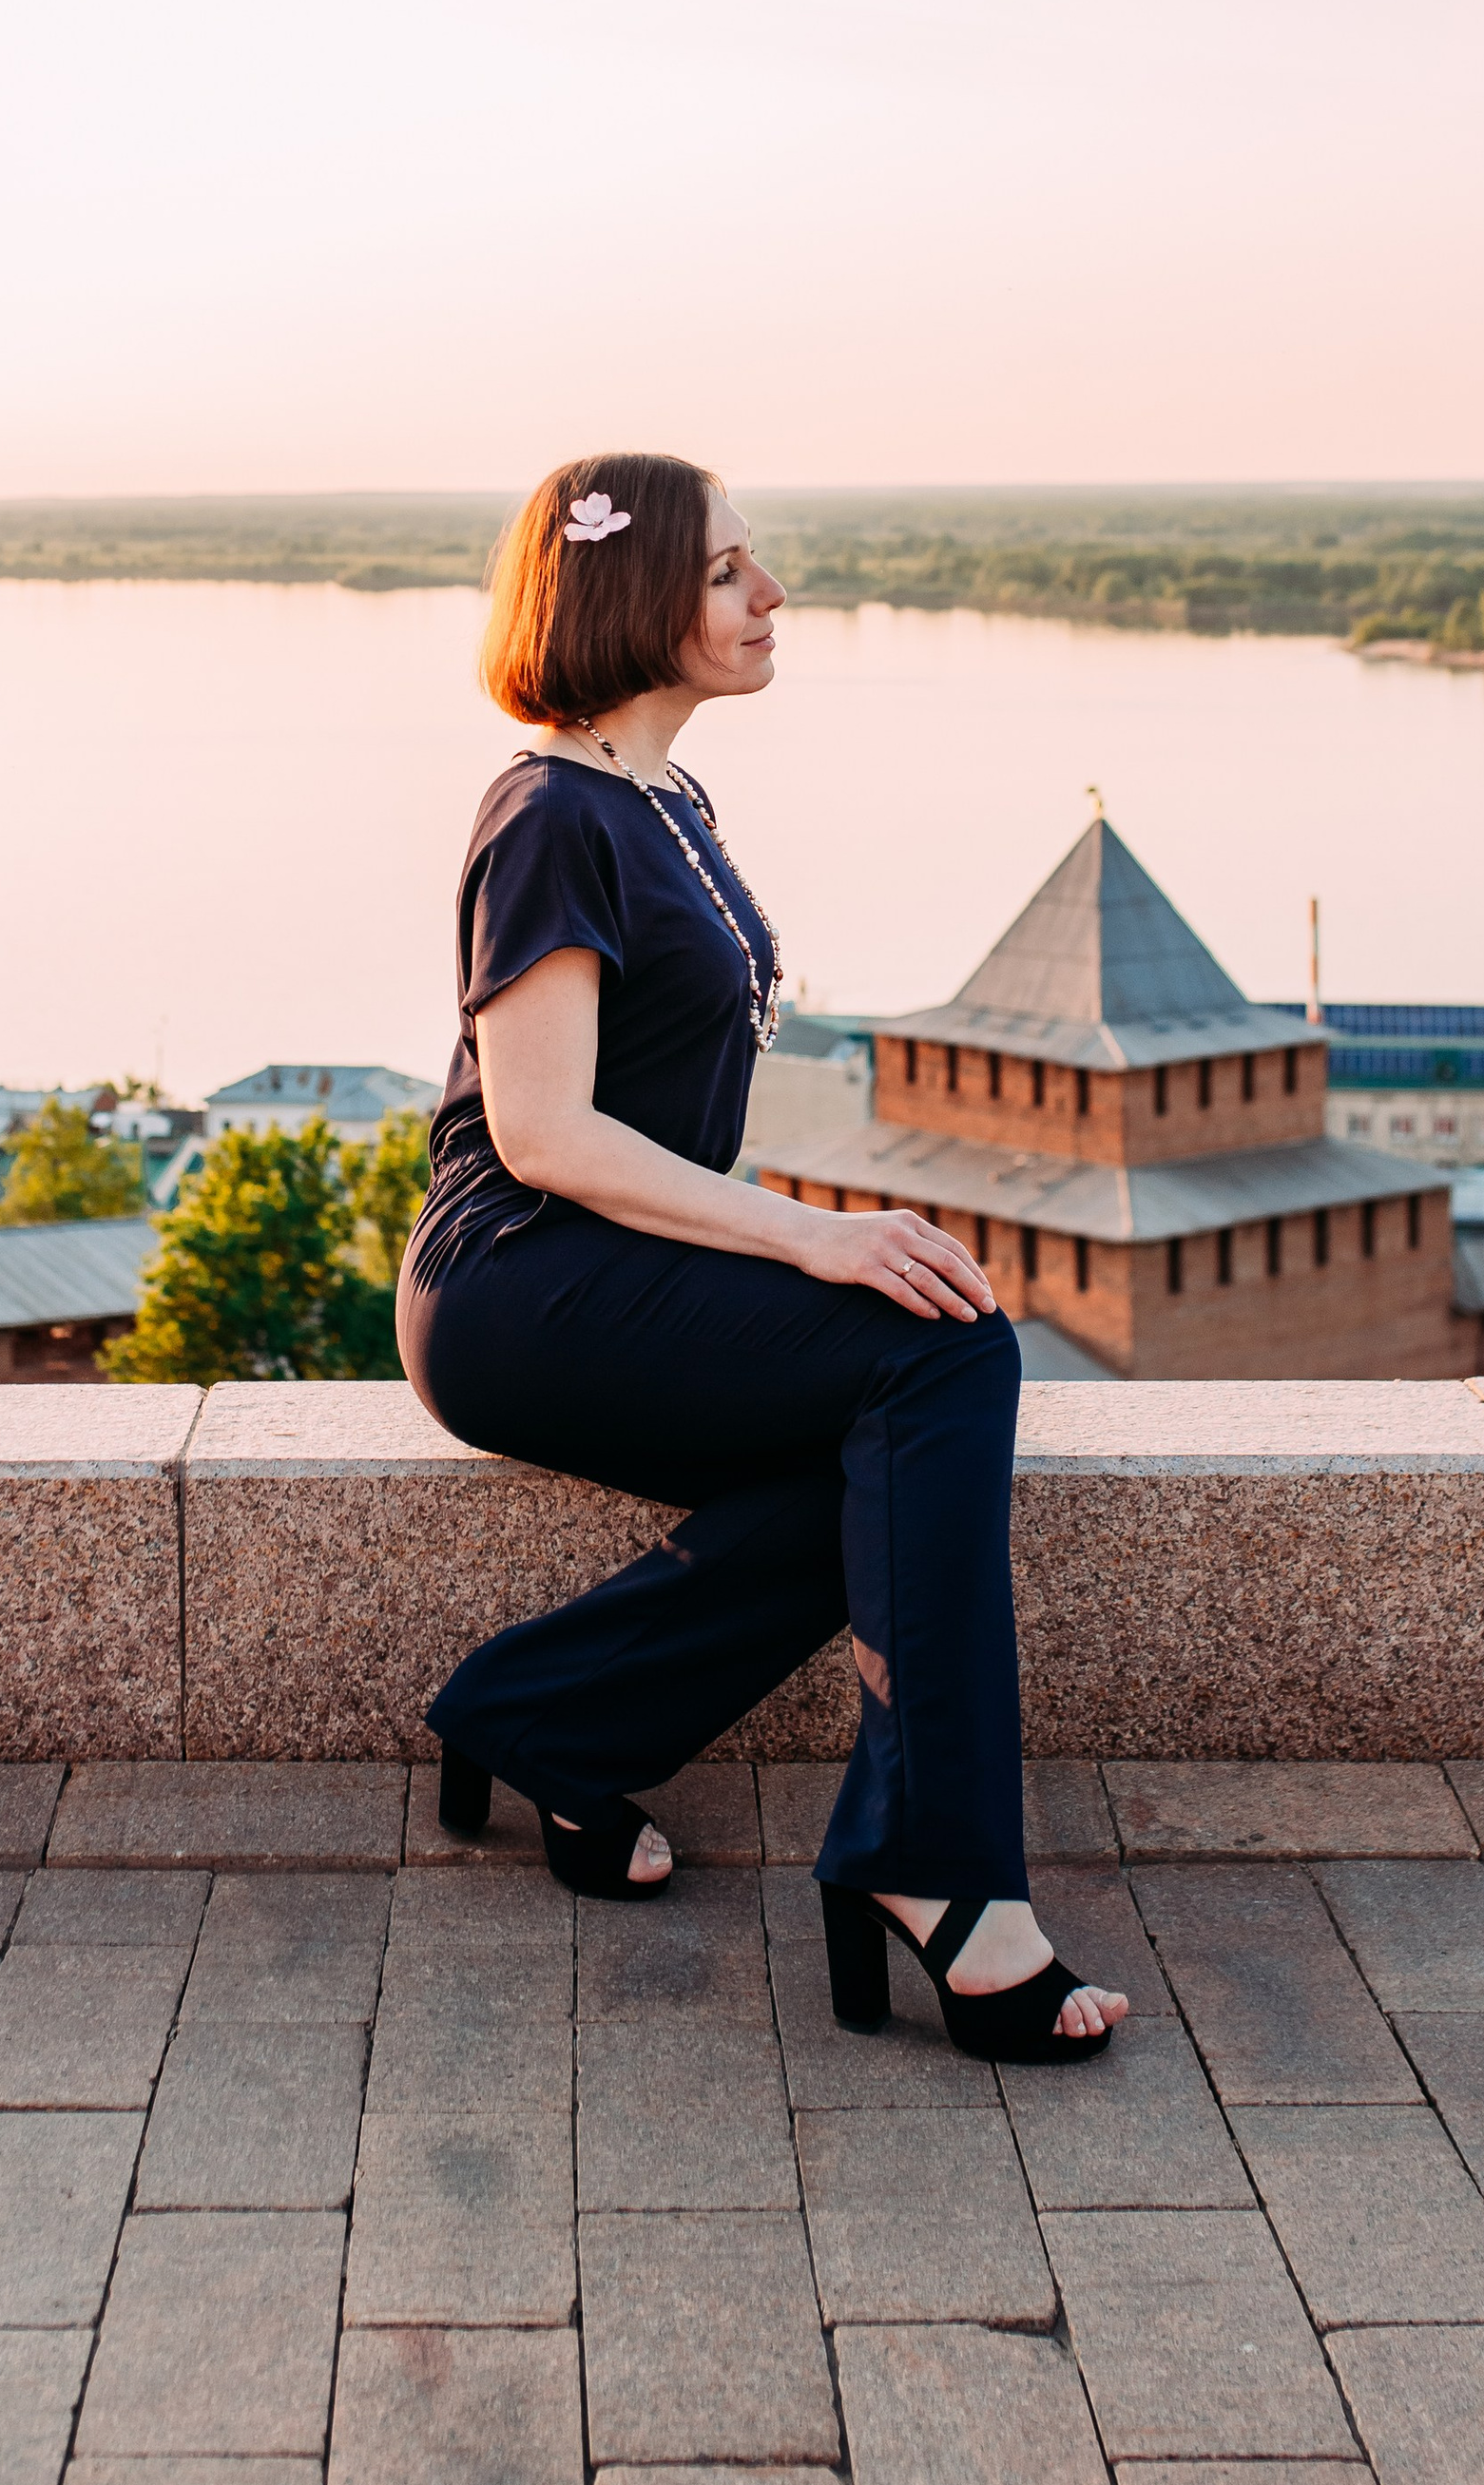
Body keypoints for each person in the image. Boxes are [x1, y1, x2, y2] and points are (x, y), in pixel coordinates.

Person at [397, 451, 1127, 2062]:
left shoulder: (665, 800)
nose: (770, 592)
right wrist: (818, 1236)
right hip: (519, 1278)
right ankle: (938, 1876)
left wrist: (815, 1251)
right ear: (630, 596)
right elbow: (546, 1135)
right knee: (940, 1346)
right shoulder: (548, 814)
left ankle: (541, 1719)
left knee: (894, 1444)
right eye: (728, 571)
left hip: (611, 1268)